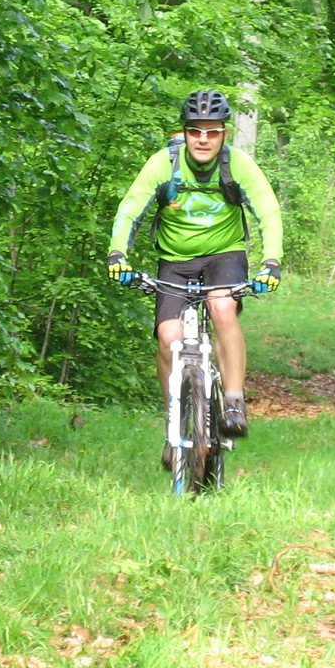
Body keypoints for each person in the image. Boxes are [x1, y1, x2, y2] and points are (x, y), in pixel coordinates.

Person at [106, 90, 284, 462]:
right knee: (168, 337)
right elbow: (130, 209)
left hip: (224, 255)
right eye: (195, 131)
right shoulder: (163, 164)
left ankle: (233, 401)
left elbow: (268, 210)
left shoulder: (238, 165)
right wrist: (117, 253)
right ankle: (174, 426)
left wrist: (271, 262)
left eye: (212, 132)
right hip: (175, 260)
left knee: (222, 307)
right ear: (184, 133)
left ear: (224, 135)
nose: (203, 139)